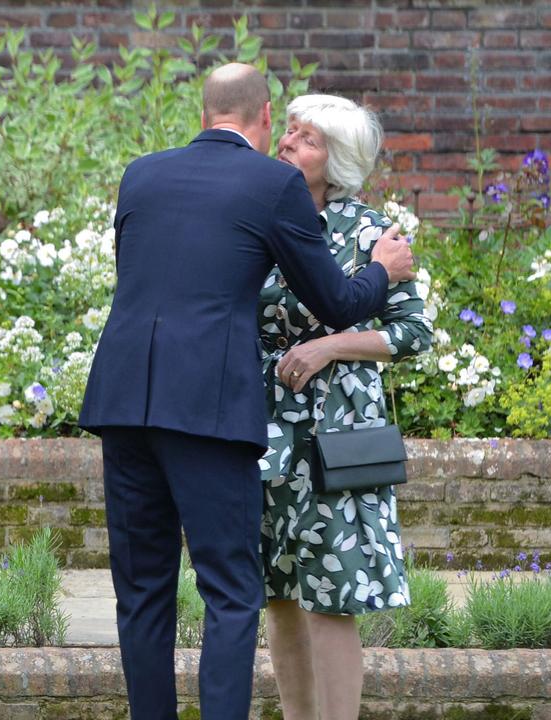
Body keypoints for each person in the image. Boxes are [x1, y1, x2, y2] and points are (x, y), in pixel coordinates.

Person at [77, 63, 416, 720]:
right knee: (231, 591)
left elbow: (151, 278)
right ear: (263, 118)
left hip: (122, 401)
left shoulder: (141, 174)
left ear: (203, 114)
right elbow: (337, 301)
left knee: (142, 592)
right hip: (207, 408)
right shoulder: (273, 184)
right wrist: (381, 270)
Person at [259, 94, 432, 720]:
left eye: (305, 138)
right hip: (268, 433)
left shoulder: (371, 232)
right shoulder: (262, 217)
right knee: (276, 592)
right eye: (288, 131)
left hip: (338, 438)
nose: (286, 142)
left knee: (332, 596)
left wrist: (330, 346)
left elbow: (413, 333)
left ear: (338, 162)